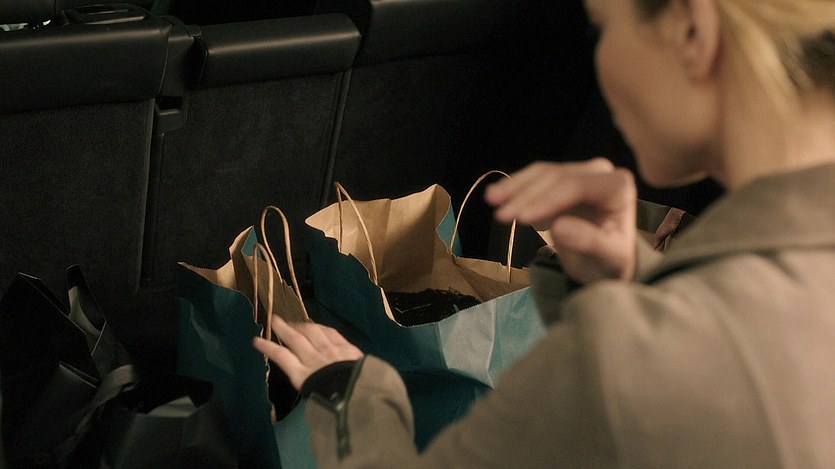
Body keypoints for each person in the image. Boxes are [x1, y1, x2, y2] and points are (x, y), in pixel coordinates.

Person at [254, 0, 835, 466]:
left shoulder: (632, 358)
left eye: (603, 26)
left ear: (692, 31)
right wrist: (635, 282)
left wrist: (353, 398)